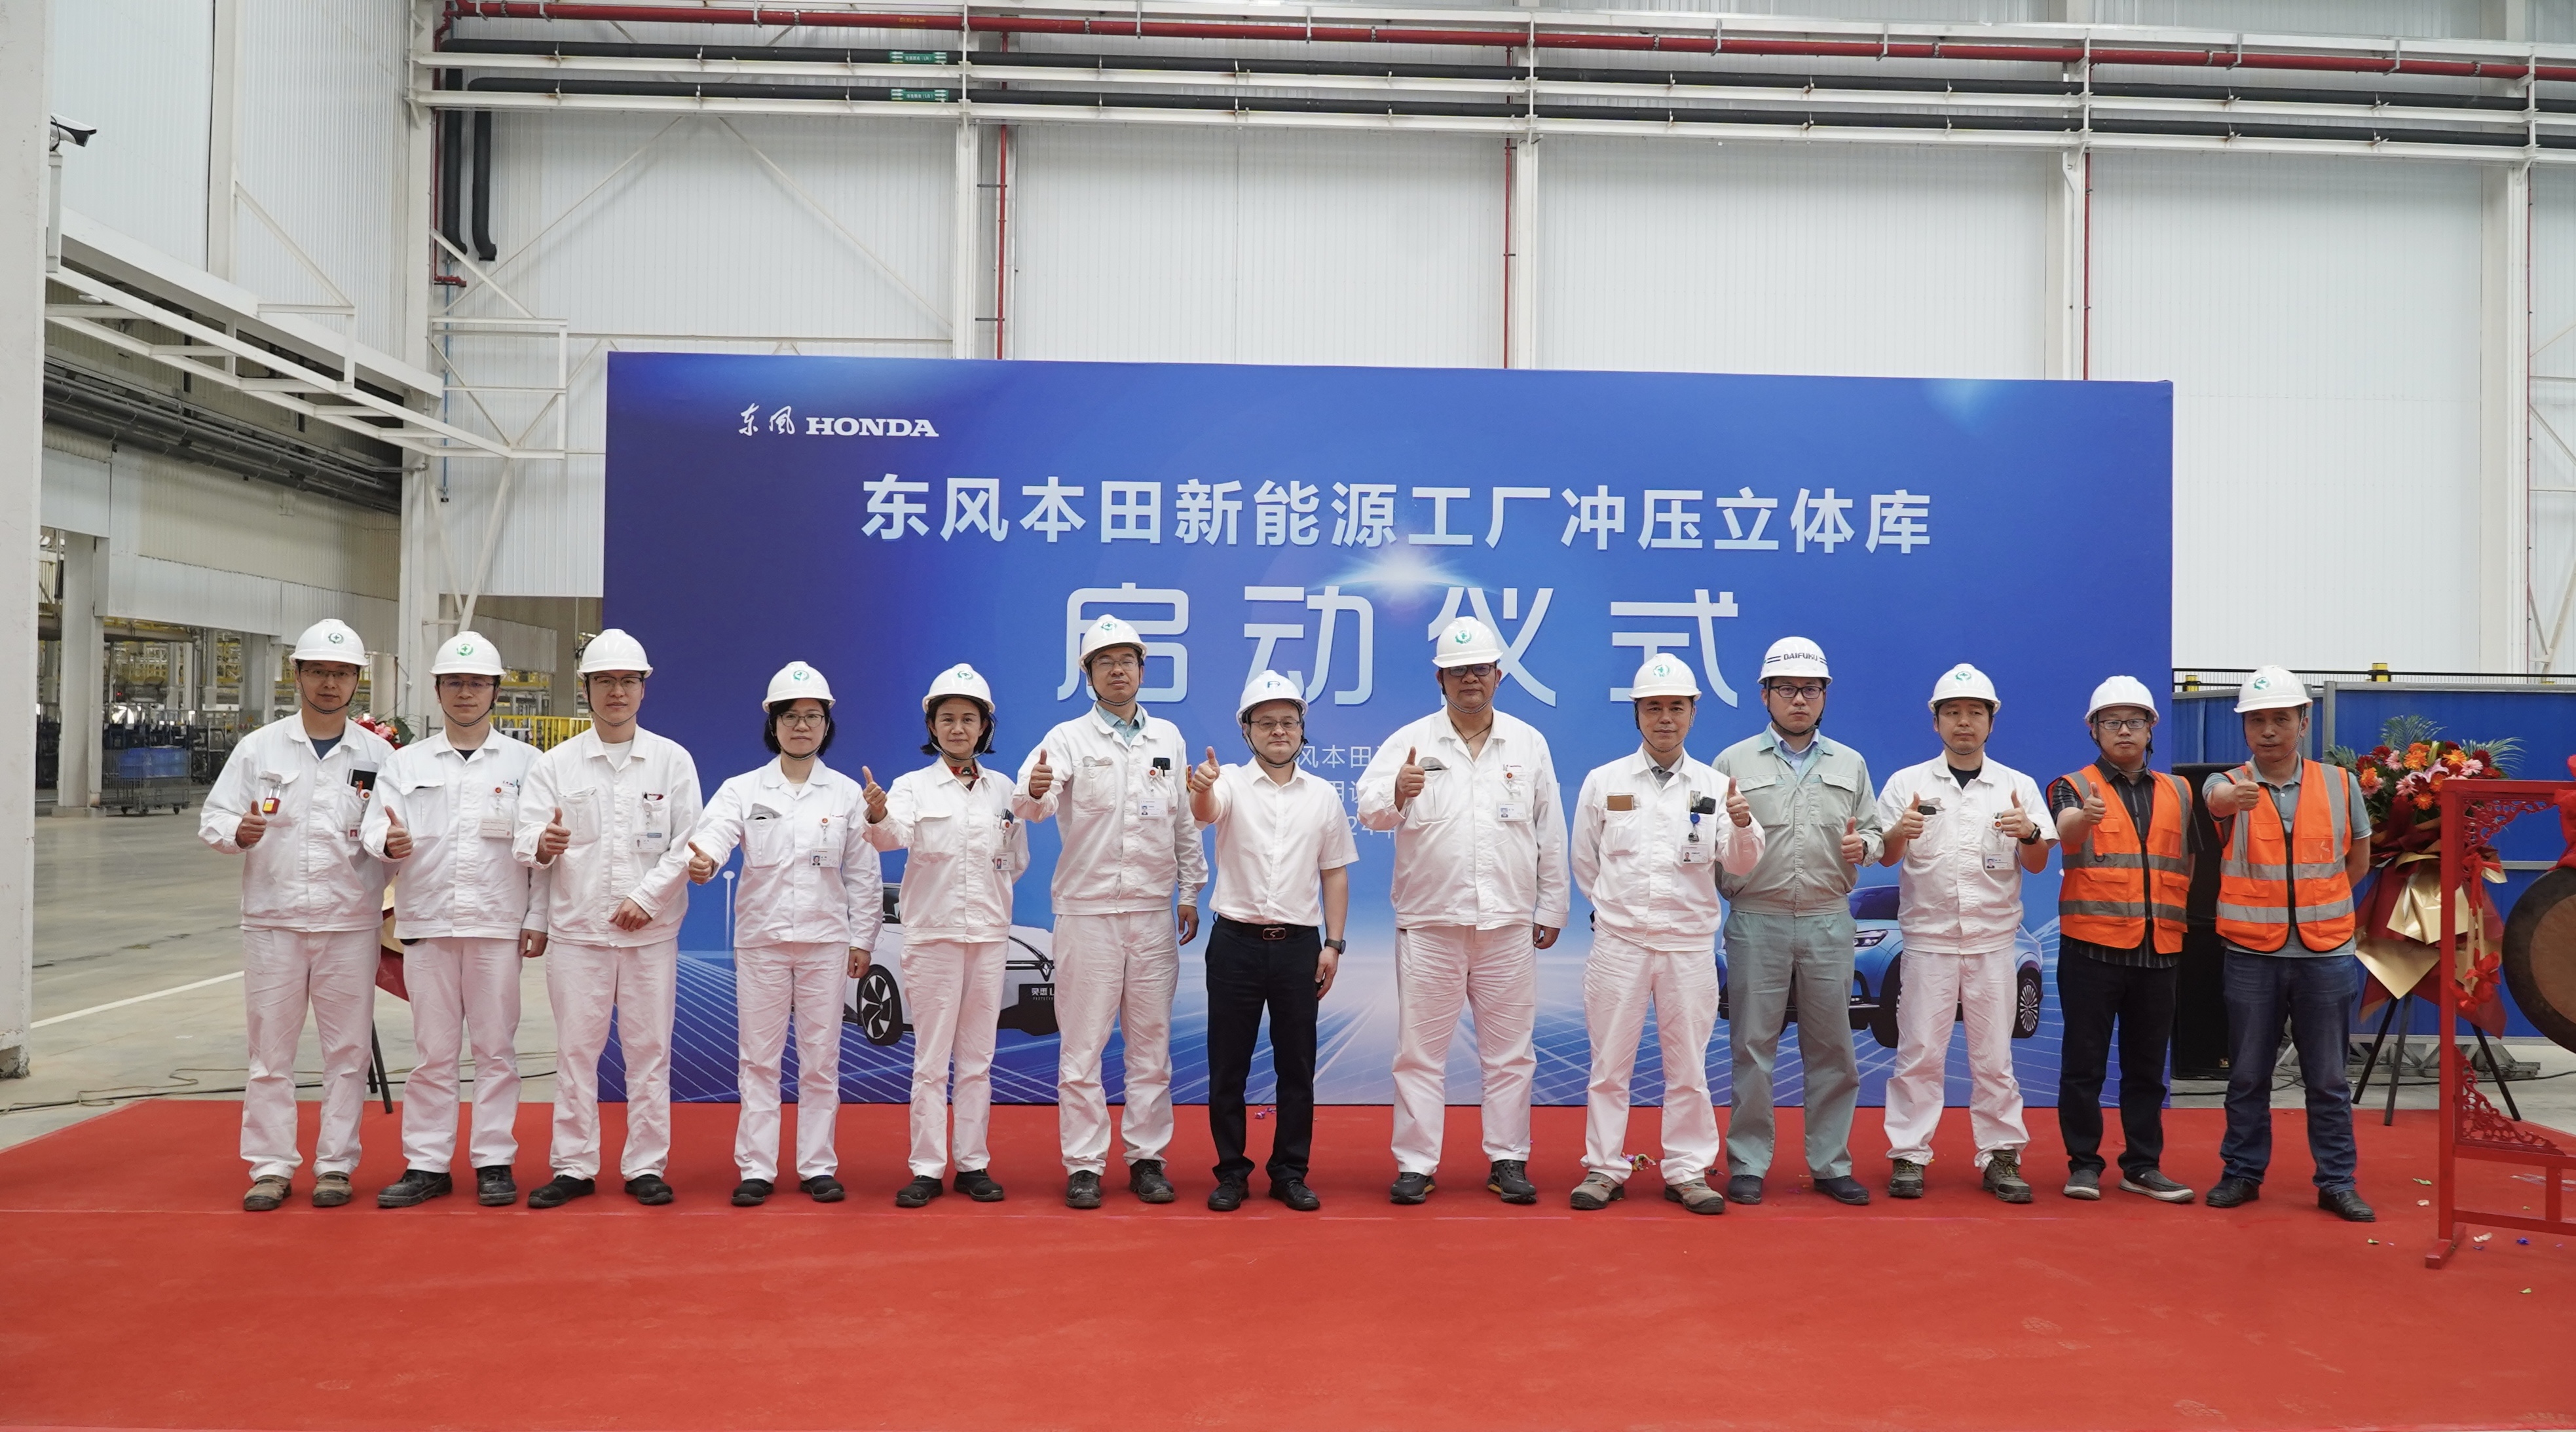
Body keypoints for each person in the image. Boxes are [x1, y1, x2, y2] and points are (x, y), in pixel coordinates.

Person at [1355, 616, 1567, 1206]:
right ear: (1439, 679)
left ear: (1498, 675)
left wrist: (1552, 905)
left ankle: (1508, 1158)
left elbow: (1549, 830)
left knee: (1510, 1052)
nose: (1469, 679)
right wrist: (1397, 790)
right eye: (1457, 671)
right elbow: (1370, 810)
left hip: (1506, 924)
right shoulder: (1410, 740)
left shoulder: (1527, 742)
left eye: (1479, 669)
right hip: (1429, 924)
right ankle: (1415, 1163)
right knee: (1418, 1053)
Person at [672, 661, 883, 1207]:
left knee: (821, 1059)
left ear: (827, 724)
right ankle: (757, 1167)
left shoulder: (846, 794)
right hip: (762, 943)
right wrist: (704, 862)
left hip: (825, 943)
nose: (801, 726)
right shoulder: (742, 789)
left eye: (812, 716)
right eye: (790, 716)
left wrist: (863, 939)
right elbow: (714, 836)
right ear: (773, 723)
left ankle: (818, 1165)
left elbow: (863, 874)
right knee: (758, 1059)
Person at [1013, 615, 1207, 1209]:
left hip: (1151, 913)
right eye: (1105, 662)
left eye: (1126, 660)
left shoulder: (1167, 738)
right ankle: (1083, 1163)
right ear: (1088, 674)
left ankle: (1147, 1158)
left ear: (1142, 670)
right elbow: (1032, 804)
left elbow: (1183, 821)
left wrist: (1190, 891)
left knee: (1151, 1045)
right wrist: (1037, 787)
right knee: (1082, 1047)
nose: (1117, 670)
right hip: (1087, 912)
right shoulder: (1067, 738)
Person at [200, 617, 393, 1212]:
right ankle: (270, 1165)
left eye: (341, 673)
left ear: (357, 680)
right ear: (298, 675)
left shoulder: (379, 756)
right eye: (318, 671)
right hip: (273, 921)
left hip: (349, 923)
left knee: (348, 1054)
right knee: (270, 1053)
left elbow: (394, 834)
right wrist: (238, 831)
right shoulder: (259, 749)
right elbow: (214, 818)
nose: (329, 683)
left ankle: (335, 1164)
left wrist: (394, 847)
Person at [1567, 655, 1764, 1215]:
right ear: (1636, 713)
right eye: (1653, 707)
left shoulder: (1716, 786)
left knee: (1689, 1067)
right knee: (1609, 1064)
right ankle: (1604, 1167)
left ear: (1693, 712)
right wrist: (1616, 912)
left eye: (1676, 707)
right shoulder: (1604, 781)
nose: (1664, 718)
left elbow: (1742, 862)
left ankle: (1686, 1170)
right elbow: (1585, 862)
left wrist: (1743, 823)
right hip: (1620, 944)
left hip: (1688, 946)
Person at [513, 629, 701, 1209]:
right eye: (604, 681)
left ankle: (646, 1164)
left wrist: (646, 898)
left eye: (627, 681)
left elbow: (689, 843)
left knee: (649, 1052)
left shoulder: (672, 761)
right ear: (586, 689)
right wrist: (542, 845)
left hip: (650, 935)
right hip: (578, 934)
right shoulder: (555, 764)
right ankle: (574, 1165)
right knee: (575, 1053)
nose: (616, 691)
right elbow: (526, 839)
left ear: (644, 689)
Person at [362, 631, 550, 1209]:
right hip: (428, 923)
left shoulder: (527, 764)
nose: (465, 692)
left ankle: (494, 1160)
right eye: (454, 682)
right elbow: (374, 826)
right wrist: (387, 842)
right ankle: (427, 1162)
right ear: (438, 689)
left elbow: (541, 850)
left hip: (497, 924)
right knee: (434, 1052)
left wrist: (538, 916)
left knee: (496, 1049)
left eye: (476, 683)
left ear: (495, 690)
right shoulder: (405, 762)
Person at [1710, 636, 1885, 1207]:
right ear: (1764, 694)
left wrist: (1868, 846)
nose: (1799, 699)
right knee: (1751, 1046)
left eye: (1810, 688)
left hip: (1827, 919)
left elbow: (1875, 832)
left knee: (1833, 1047)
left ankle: (1830, 1162)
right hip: (1755, 918)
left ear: (1825, 695)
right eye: (1786, 688)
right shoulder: (1731, 763)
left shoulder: (1849, 763)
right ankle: (1747, 1162)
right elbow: (1709, 840)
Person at [1873, 663, 2053, 1204]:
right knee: (1918, 1053)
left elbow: (2037, 862)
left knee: (1994, 1058)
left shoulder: (2016, 786)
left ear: (1991, 721)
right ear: (1935, 722)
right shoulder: (1906, 784)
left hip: (1994, 943)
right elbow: (1886, 857)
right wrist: (1898, 832)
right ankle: (1909, 1153)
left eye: (1975, 712)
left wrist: (2029, 834)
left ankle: (2000, 1154)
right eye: (1952, 712)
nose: (1963, 722)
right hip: (1926, 943)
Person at [2201, 666, 2376, 1223]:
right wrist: (2233, 797)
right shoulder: (2226, 783)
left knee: (2327, 1078)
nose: (2268, 730)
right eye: (2256, 720)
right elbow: (2216, 801)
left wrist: (2318, 904)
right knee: (2247, 1075)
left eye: (2280, 718)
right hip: (2251, 954)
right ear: (2244, 728)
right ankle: (2241, 1172)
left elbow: (2357, 859)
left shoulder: (2339, 783)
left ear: (2303, 722)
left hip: (2325, 954)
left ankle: (2336, 1181)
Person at [1185, 670, 1356, 1213]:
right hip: (1234, 943)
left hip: (1299, 946)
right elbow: (1204, 812)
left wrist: (1333, 944)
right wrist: (1201, 786)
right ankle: (1231, 1172)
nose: (1278, 731)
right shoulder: (1229, 784)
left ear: (1302, 728)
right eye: (1265, 722)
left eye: (1288, 721)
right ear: (1246, 730)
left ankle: (1289, 1171)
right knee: (1228, 1065)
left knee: (1297, 1066)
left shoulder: (1322, 795)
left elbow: (1334, 872)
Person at [865, 663, 1029, 1208]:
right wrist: (877, 813)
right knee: (931, 1059)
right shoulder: (912, 786)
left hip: (988, 937)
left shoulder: (1003, 789)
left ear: (985, 726)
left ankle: (973, 1163)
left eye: (968, 718)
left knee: (978, 1058)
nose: (958, 728)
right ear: (931, 726)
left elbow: (1016, 860)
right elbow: (889, 837)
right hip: (932, 937)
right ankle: (927, 1167)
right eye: (947, 719)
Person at [2044, 674, 2199, 1205]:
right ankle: (2083, 1164)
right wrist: (2082, 819)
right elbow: (2065, 829)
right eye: (2111, 721)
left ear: (2151, 727)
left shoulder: (2179, 791)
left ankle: (2142, 1166)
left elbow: (2188, 861)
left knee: (2146, 1069)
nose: (2124, 730)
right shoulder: (2070, 785)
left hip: (2159, 950)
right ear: (2093, 729)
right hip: (2090, 949)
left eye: (2134, 720)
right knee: (2082, 1065)